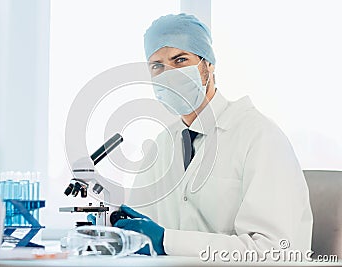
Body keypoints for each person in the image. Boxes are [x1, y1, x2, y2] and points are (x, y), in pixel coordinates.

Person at [113, 13, 313, 259]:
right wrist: (114, 229)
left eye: (180, 60)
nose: (169, 74)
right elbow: (139, 235)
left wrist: (167, 241)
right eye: (157, 66)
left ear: (208, 65)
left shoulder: (260, 137)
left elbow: (274, 251)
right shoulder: (161, 145)